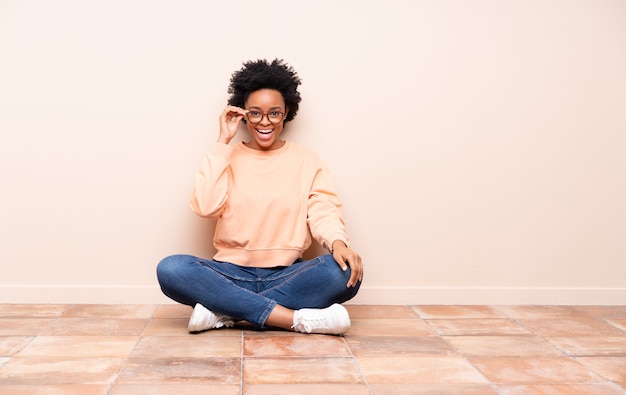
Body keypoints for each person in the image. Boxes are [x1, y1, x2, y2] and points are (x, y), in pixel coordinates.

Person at [157, 59, 363, 335]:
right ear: (243, 115)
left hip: (288, 274)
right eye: (255, 113)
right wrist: (222, 142)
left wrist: (338, 244)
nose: (264, 122)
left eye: (274, 113)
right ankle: (293, 319)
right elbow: (205, 207)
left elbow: (323, 209)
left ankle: (227, 312)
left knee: (344, 271)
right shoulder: (226, 156)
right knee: (172, 269)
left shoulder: (306, 159)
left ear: (286, 112)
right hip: (229, 275)